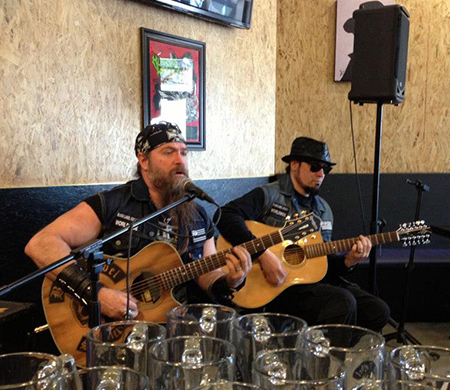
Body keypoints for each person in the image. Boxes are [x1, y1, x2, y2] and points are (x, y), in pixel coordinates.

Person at [25, 121, 251, 320]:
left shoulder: (198, 214)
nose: (179, 160)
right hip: (117, 330)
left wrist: (231, 280)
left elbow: (206, 273)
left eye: (184, 153)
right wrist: (97, 294)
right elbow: (41, 244)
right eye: (168, 152)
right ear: (143, 160)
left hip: (176, 326)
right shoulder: (113, 204)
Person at [215, 136, 390, 332]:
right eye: (315, 166)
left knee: (378, 311)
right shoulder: (269, 195)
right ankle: (321, 356)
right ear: (294, 165)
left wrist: (348, 261)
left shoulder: (323, 210)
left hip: (311, 284)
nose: (321, 173)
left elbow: (323, 263)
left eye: (326, 168)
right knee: (342, 302)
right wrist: (262, 254)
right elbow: (225, 215)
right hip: (276, 287)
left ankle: (333, 353)